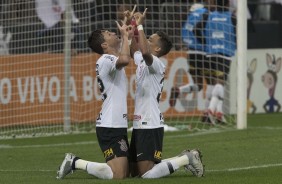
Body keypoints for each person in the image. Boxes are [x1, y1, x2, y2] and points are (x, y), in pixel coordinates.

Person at [127, 9, 205, 178]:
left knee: (146, 174)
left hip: (150, 122)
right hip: (140, 121)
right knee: (132, 173)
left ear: (157, 47)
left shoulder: (156, 63)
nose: (145, 40)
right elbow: (135, 51)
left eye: (149, 39)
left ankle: (187, 158)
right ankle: (183, 158)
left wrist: (140, 25)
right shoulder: (144, 59)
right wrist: (132, 25)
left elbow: (145, 52)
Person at [56, 17, 135, 179]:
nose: (113, 32)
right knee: (119, 175)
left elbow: (126, 54)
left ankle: (75, 162)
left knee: (126, 173)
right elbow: (126, 59)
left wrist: (131, 29)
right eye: (108, 33)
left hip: (116, 123)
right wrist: (125, 37)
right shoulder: (105, 59)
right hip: (109, 124)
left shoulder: (111, 59)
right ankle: (75, 162)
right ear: (104, 45)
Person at [197, 0, 236, 124]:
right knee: (220, 83)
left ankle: (219, 114)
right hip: (224, 55)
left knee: (214, 84)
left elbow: (196, 29)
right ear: (227, 4)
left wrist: (206, 42)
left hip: (210, 54)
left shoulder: (208, 15)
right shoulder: (232, 17)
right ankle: (209, 111)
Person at [169, 0, 209, 108]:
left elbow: (185, 38)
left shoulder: (189, 19)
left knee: (199, 85)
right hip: (203, 53)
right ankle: (210, 112)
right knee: (212, 83)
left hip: (191, 54)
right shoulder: (205, 15)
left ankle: (179, 90)